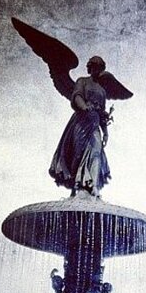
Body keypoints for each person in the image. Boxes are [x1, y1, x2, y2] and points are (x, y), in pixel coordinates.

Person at [50, 56, 112, 197]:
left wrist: (106, 132)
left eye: (100, 67)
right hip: (81, 122)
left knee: (96, 152)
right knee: (77, 153)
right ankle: (75, 186)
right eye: (94, 66)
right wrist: (84, 107)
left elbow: (102, 113)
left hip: (95, 123)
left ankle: (94, 186)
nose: (97, 69)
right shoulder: (82, 81)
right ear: (90, 68)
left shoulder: (102, 91)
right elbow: (77, 96)